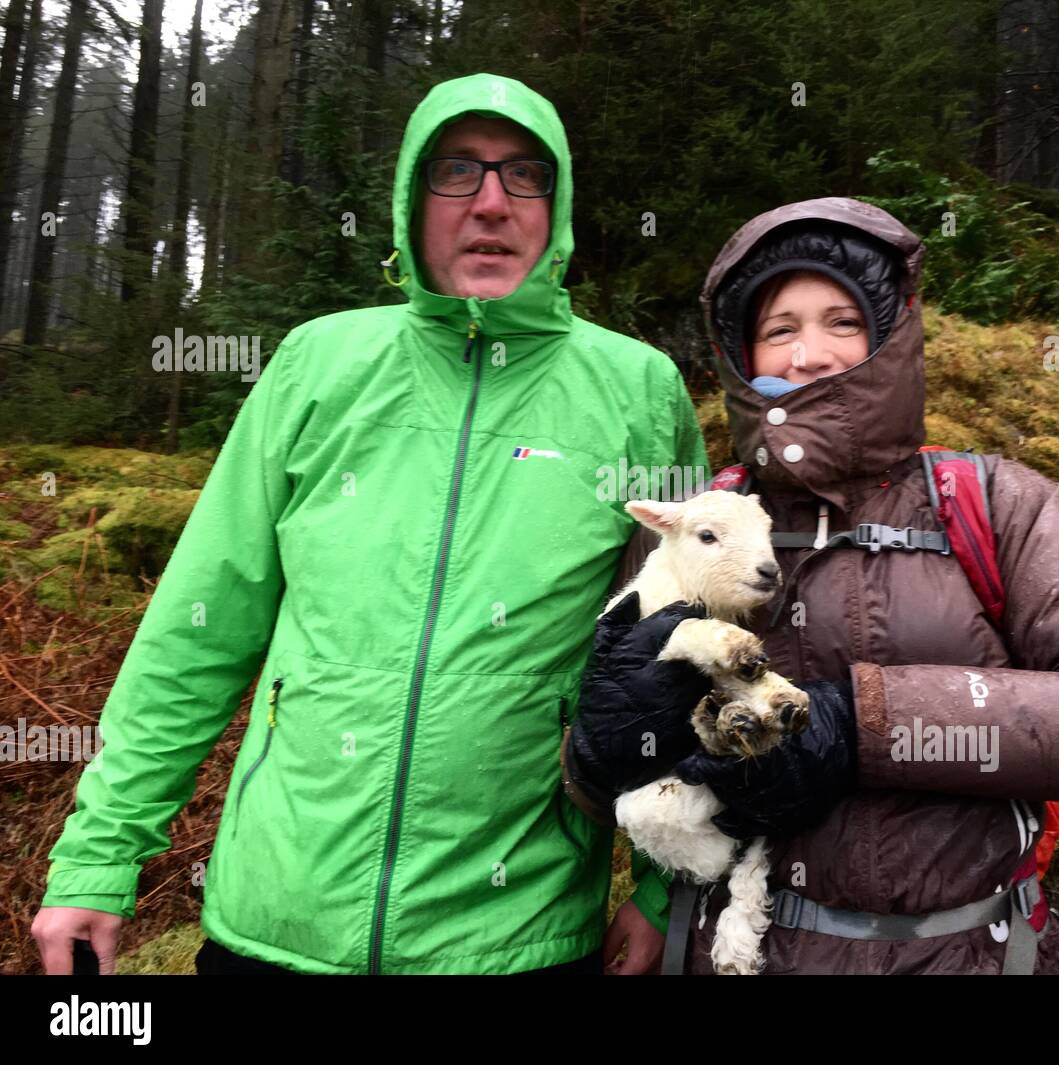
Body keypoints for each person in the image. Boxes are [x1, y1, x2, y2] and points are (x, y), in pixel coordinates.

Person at [29, 73, 710, 976]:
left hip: (518, 933)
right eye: (456, 170)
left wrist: (664, 887)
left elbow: (688, 652)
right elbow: (200, 627)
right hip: (280, 916)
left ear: (559, 205)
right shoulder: (318, 363)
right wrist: (99, 854)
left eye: (525, 173)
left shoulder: (639, 390)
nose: (492, 203)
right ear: (409, 202)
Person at [566, 196, 1059, 975]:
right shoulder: (700, 523)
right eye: (780, 329)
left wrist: (858, 727)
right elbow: (607, 777)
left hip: (974, 954)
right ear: (741, 354)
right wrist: (605, 749)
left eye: (843, 321)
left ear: (890, 335)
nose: (810, 353)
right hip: (737, 948)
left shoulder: (999, 504)